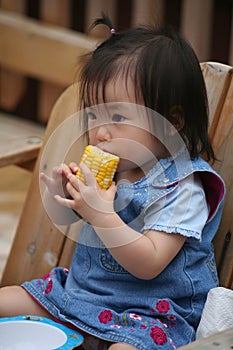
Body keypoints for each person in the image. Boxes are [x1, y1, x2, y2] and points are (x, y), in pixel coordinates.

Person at [0, 15, 225, 350]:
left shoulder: (184, 189)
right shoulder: (119, 167)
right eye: (93, 115)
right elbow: (85, 219)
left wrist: (101, 214)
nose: (100, 132)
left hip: (147, 317)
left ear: (171, 123)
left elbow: (149, 263)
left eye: (118, 117)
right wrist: (69, 196)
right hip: (79, 298)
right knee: (5, 301)